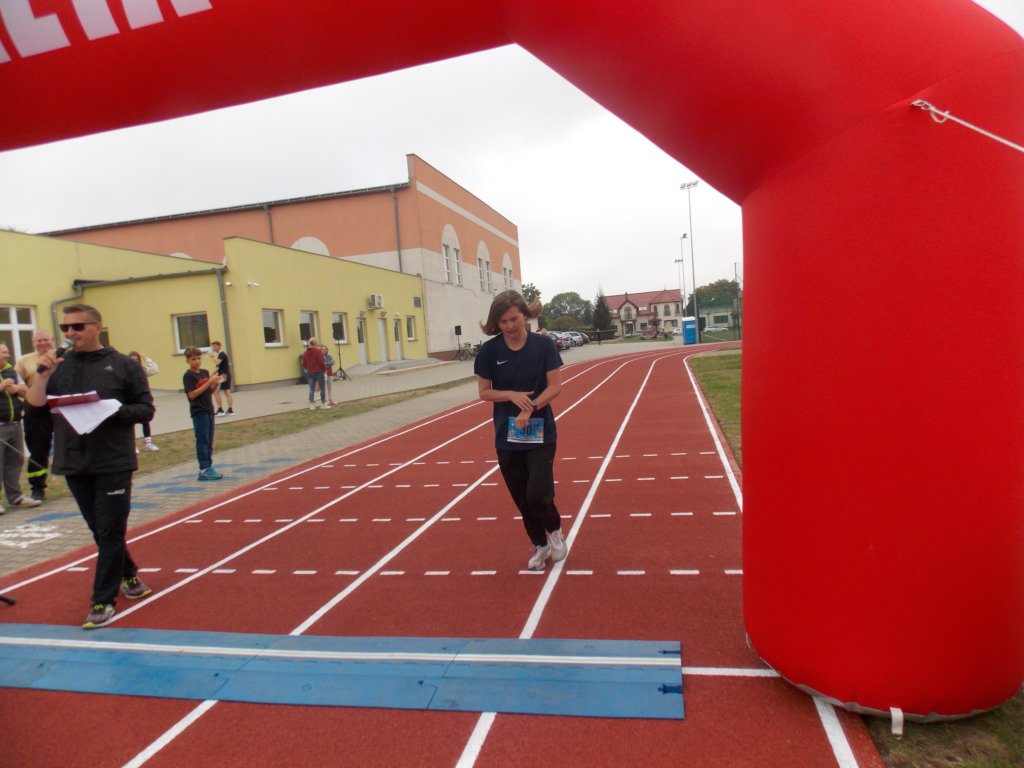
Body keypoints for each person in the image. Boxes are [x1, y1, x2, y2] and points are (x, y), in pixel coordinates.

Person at [27, 304, 155, 629]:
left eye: (77, 327)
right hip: (73, 460)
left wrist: (111, 411)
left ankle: (102, 600)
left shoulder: (123, 365)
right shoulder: (58, 366)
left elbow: (146, 409)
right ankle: (129, 575)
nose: (70, 333)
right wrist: (42, 376)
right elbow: (36, 405)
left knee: (110, 530)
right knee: (100, 529)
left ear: (97, 326)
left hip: (113, 460)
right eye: (65, 328)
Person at [475, 290, 566, 571]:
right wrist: (511, 395)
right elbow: (484, 392)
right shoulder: (489, 351)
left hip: (541, 432)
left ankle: (554, 530)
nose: (509, 326)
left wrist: (532, 407)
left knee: (538, 494)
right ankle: (539, 544)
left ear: (525, 315)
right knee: (522, 499)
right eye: (502, 322)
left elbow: (555, 387)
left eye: (513, 319)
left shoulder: (543, 345)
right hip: (507, 436)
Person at [1, 343, 43, 514]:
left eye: (7, 352)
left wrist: (16, 387)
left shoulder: (11, 371)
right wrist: (2, 386)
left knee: (16, 460)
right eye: (3, 352)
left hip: (15, 422)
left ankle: (15, 496)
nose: (7, 355)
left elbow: (26, 391)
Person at [14, 329, 56, 501]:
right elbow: (17, 383)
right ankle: (38, 487)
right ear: (33, 343)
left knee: (73, 443)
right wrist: (27, 393)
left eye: (46, 340)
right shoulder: (24, 361)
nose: (42, 343)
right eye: (38, 341)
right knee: (38, 448)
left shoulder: (62, 356)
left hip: (60, 404)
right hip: (36, 408)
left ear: (52, 340)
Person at [183, 346, 225, 482]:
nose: (197, 361)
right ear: (187, 361)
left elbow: (208, 391)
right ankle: (203, 469)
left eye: (199, 358)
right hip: (198, 412)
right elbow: (192, 395)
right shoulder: (188, 376)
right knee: (202, 440)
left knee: (209, 440)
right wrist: (209, 383)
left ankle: (208, 467)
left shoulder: (205, 372)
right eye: (193, 359)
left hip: (209, 410)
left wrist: (216, 383)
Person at [128, 351, 159, 452]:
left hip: (142, 400)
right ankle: (133, 446)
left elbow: (154, 369)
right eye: (132, 360)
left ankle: (148, 444)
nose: (135, 362)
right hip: (131, 400)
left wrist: (146, 358)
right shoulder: (125, 372)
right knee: (131, 422)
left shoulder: (142, 371)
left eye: (137, 360)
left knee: (145, 421)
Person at [302, 338, 330, 410]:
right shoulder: (318, 351)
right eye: (317, 341)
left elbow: (304, 364)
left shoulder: (305, 353)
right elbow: (321, 362)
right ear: (315, 343)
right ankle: (323, 404)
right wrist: (323, 369)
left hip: (310, 372)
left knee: (311, 389)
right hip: (319, 372)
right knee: (322, 388)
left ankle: (311, 405)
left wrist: (309, 368)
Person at [208, 341, 235, 416]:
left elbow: (217, 363)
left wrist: (212, 356)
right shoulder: (219, 355)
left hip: (224, 376)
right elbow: (217, 368)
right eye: (212, 346)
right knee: (225, 391)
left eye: (214, 346)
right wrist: (210, 375)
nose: (213, 348)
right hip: (223, 375)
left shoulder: (222, 354)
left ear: (219, 346)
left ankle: (223, 410)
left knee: (219, 391)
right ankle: (228, 410)